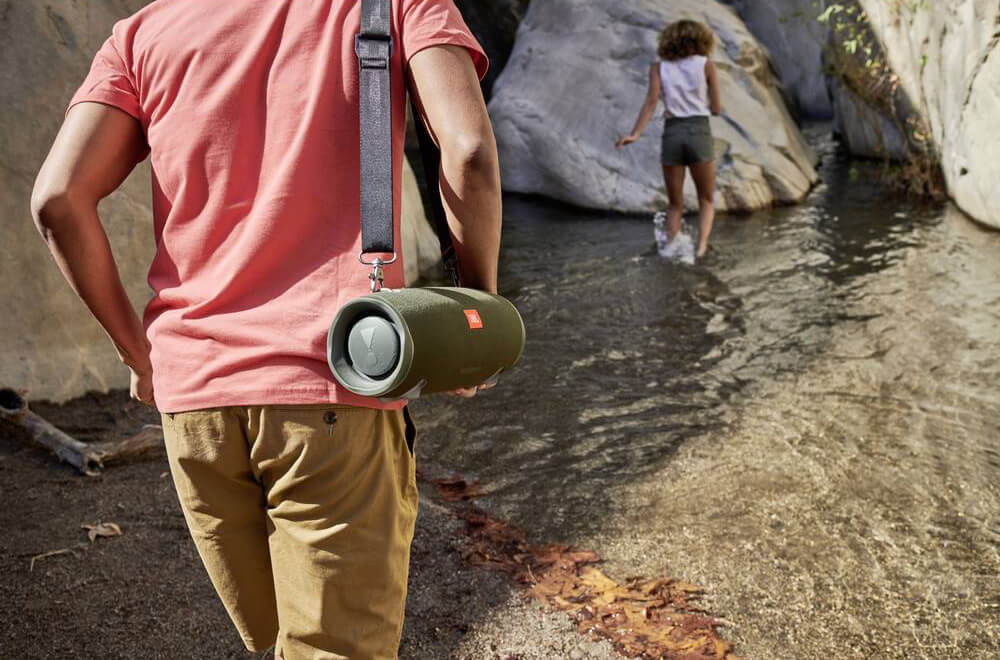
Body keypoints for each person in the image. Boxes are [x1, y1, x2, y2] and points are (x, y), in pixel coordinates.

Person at [29, 1, 500, 658]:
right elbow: (469, 151)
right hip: (330, 389)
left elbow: (57, 198)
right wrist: (478, 313)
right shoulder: (395, 5)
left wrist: (138, 356)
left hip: (195, 409)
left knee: (282, 642)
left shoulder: (141, 34)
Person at [615, 19, 721, 260]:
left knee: (675, 204)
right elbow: (716, 109)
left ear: (669, 41)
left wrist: (635, 134)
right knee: (706, 200)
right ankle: (701, 249)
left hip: (672, 134)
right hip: (699, 131)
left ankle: (671, 251)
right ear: (701, 41)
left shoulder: (658, 67)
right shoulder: (706, 65)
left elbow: (652, 101)